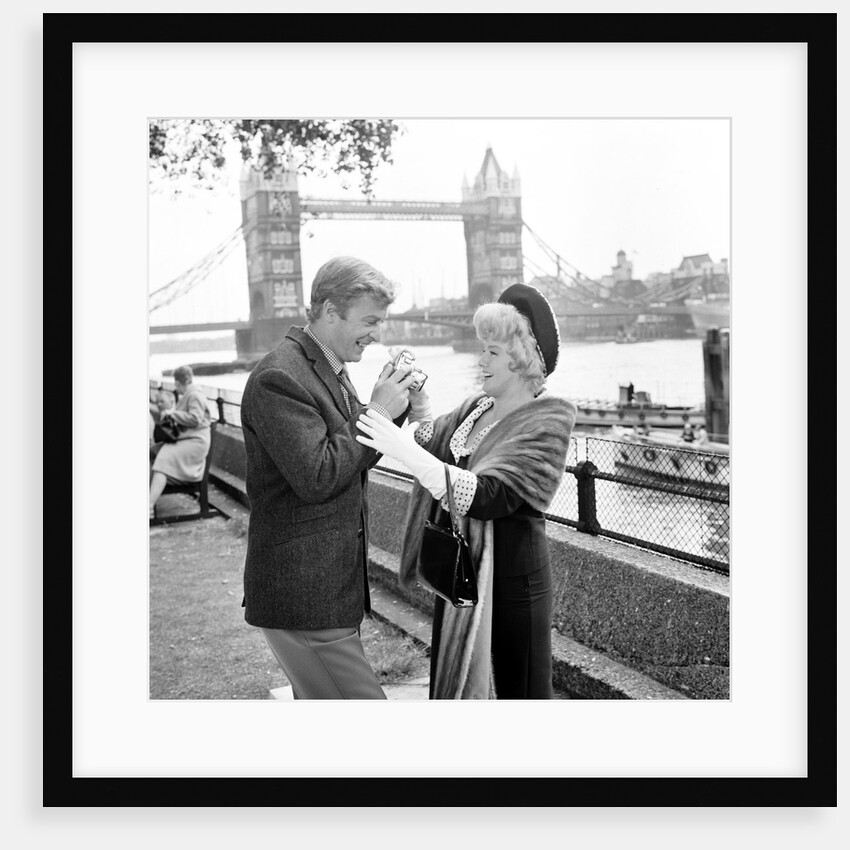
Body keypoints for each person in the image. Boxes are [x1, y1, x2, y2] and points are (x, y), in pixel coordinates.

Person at [356, 283, 576, 699]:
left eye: (492, 351)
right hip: (462, 575)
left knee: (521, 693)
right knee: (462, 685)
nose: (482, 360)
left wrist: (399, 445)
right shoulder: (478, 406)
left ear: (522, 358)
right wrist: (418, 401)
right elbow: (431, 441)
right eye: (484, 349)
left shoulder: (547, 419)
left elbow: (491, 495)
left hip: (513, 582)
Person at [240, 256, 417, 700]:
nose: (378, 333)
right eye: (370, 321)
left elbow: (346, 459)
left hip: (325, 592)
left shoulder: (324, 367)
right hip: (305, 597)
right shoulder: (280, 376)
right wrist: (377, 411)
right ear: (330, 310)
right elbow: (319, 474)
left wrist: (391, 408)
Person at [149, 366, 211, 518]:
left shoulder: (194, 395)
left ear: (178, 383)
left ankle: (149, 507)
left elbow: (195, 419)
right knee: (155, 452)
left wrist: (172, 413)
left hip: (195, 442)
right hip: (189, 440)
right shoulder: (192, 394)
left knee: (163, 458)